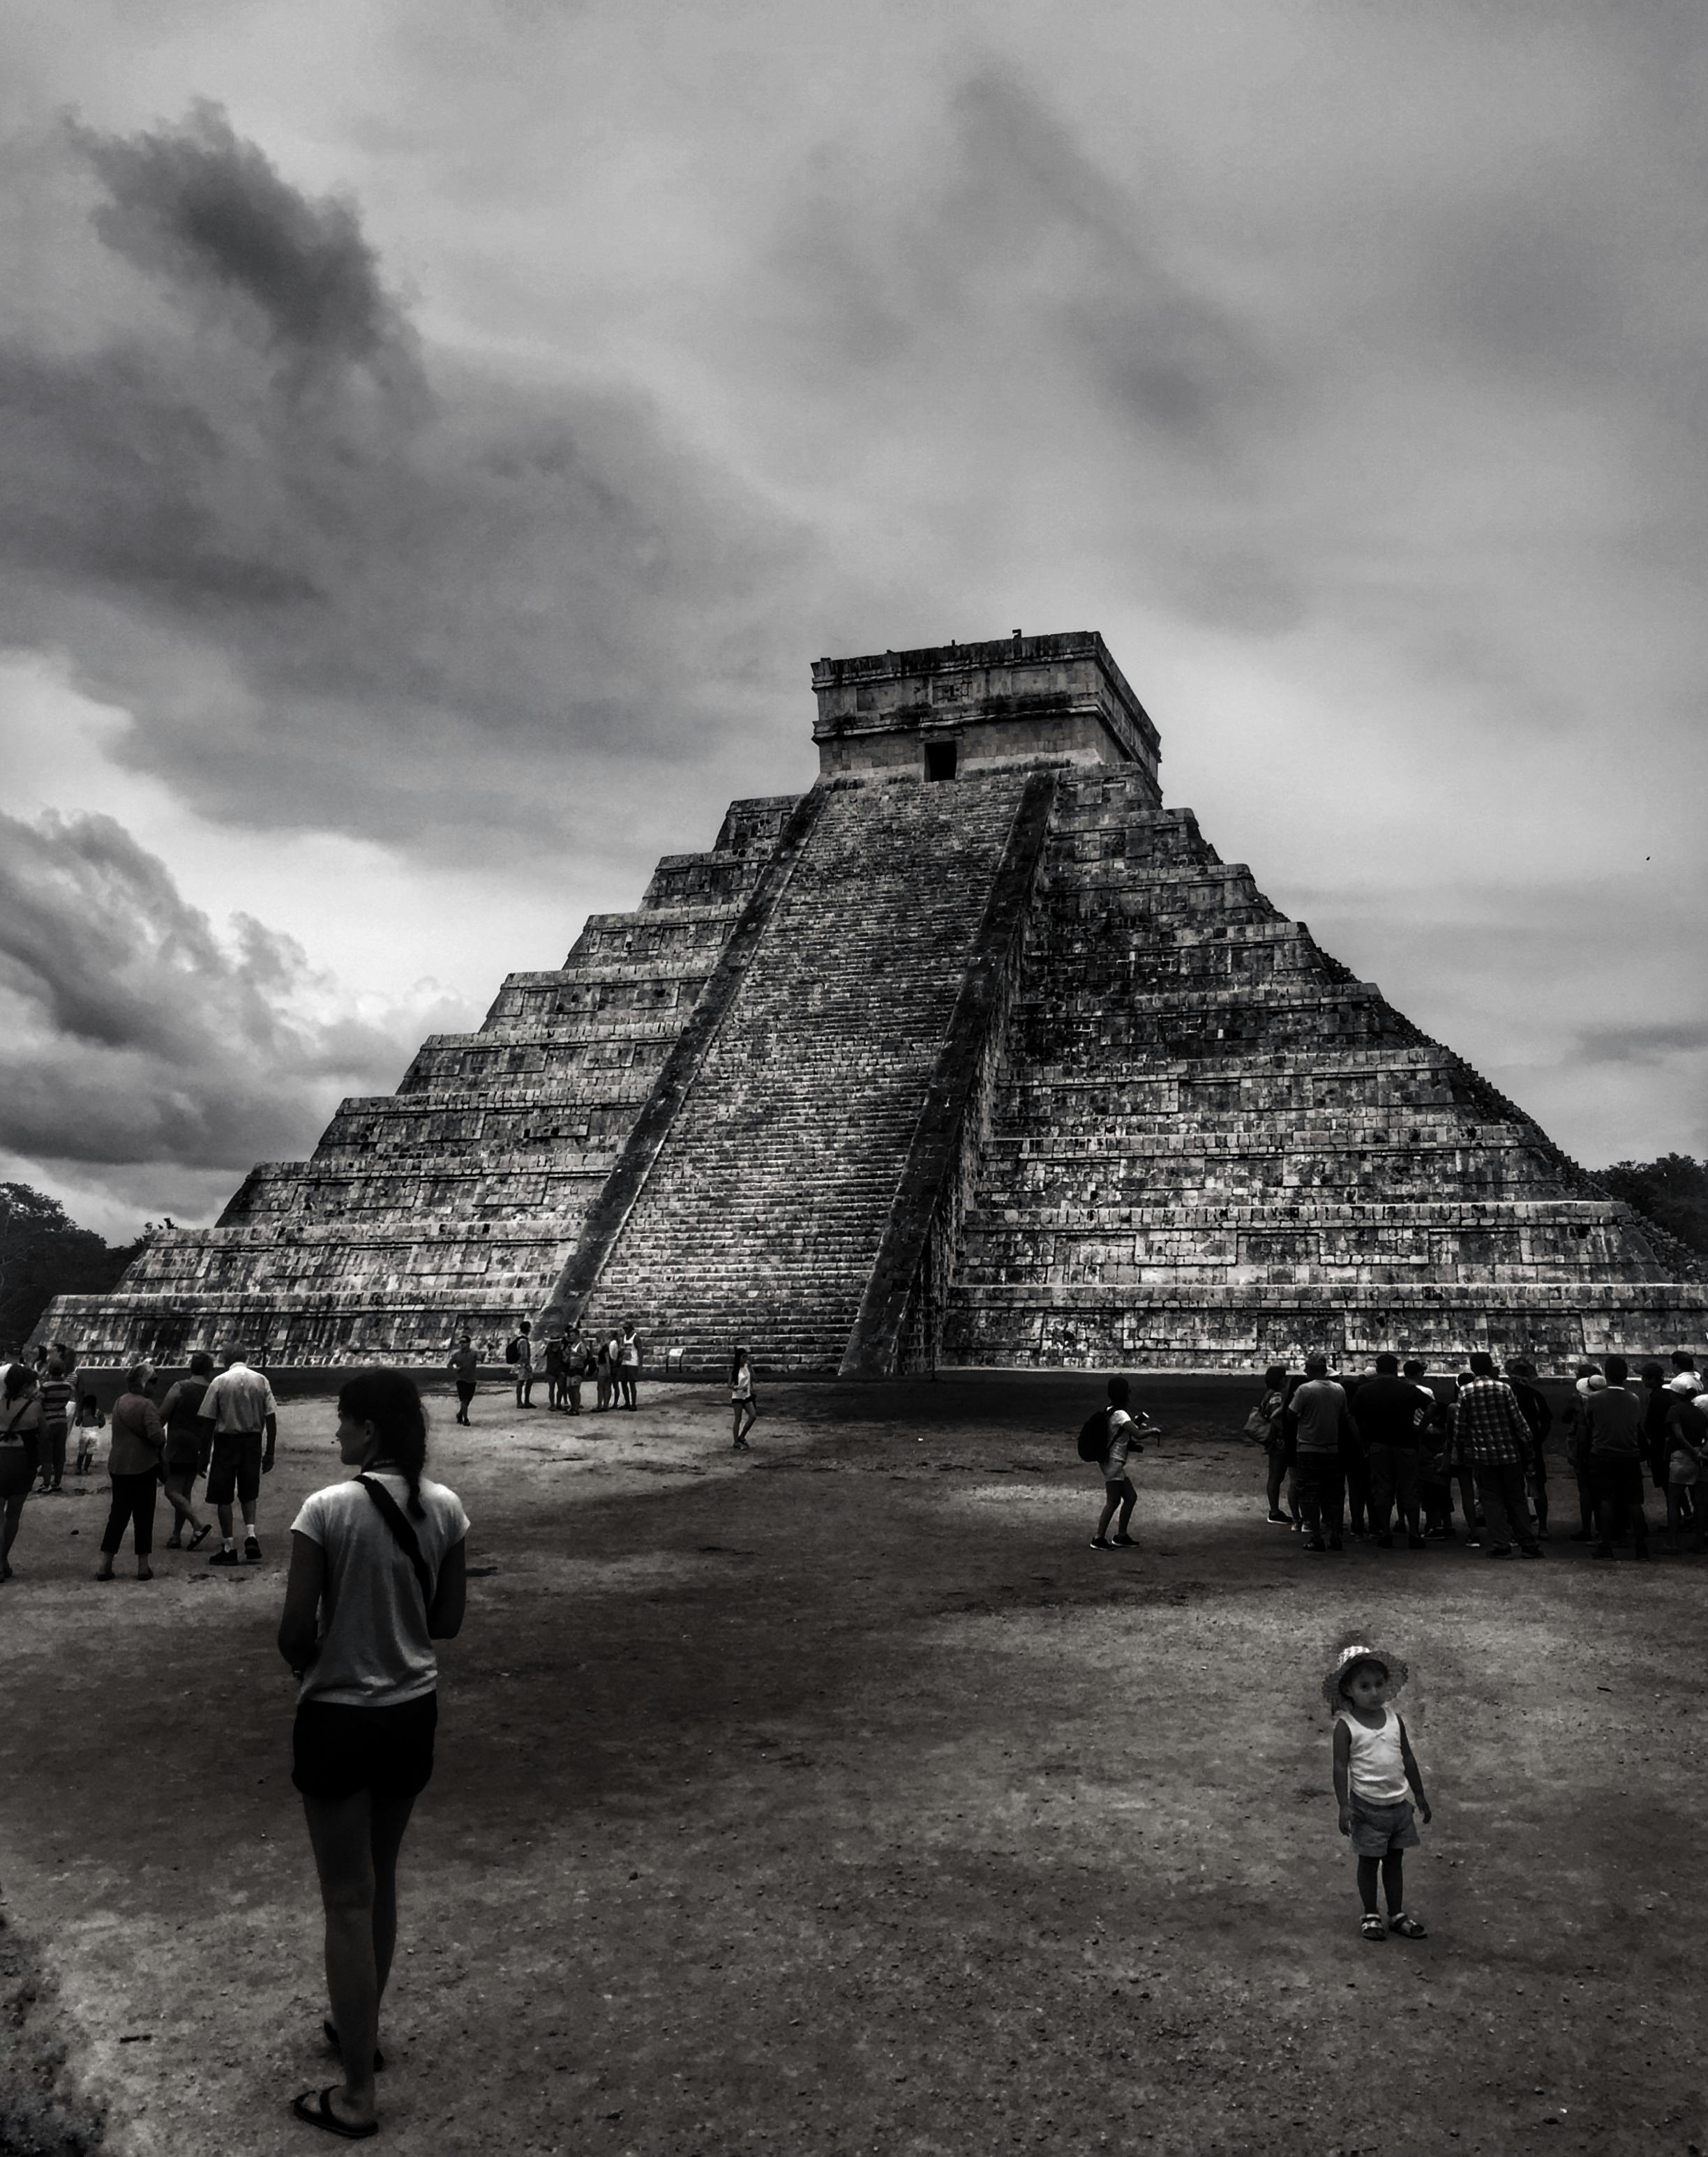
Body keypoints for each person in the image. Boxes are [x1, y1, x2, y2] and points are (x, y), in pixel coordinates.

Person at [277, 1369, 468, 2142]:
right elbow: (446, 1621)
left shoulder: (326, 1508)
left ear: (370, 1430)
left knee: (345, 1900)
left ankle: (356, 2092)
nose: (336, 1435)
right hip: (410, 1710)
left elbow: (295, 1630)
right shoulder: (447, 1506)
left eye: (343, 1422)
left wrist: (323, 1656)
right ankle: (362, 2027)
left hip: (337, 1715)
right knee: (380, 1880)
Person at [1327, 1643, 1431, 1943]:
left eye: (1379, 1684)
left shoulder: (1395, 1720)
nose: (1374, 1692)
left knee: (1395, 1861)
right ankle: (1370, 1913)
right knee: (1369, 1862)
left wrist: (1419, 1795)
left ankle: (1396, 1913)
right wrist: (1343, 1805)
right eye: (1364, 1686)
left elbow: (1407, 1758)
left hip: (1398, 1805)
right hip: (1366, 1808)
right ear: (1348, 1690)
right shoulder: (1346, 1727)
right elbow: (1340, 1767)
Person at [1453, 1353, 1543, 1558]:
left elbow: (1460, 1428)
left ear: (1473, 1369)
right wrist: (1528, 1452)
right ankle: (1528, 1543)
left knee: (1492, 1501)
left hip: (1484, 1455)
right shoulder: (1504, 1388)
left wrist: (1460, 1452)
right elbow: (1519, 1423)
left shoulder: (1466, 1392)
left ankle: (1502, 1544)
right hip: (1509, 1453)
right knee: (1517, 1499)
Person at [198, 1349, 279, 1565]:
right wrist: (269, 1451)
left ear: (226, 1361)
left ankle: (229, 1545)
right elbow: (271, 1419)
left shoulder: (219, 1381)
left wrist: (203, 1455)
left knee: (223, 1495)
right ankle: (251, 1535)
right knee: (249, 1490)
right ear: (246, 1359)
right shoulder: (260, 1380)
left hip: (226, 1441)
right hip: (252, 1440)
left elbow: (207, 1421)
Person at [95, 1362, 165, 1582]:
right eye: (153, 1381)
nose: (155, 1386)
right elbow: (158, 1438)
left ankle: (106, 1564)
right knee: (144, 1516)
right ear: (145, 1383)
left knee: (117, 1516)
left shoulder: (119, 1403)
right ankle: (143, 1566)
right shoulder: (147, 1406)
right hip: (143, 1466)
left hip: (119, 1465)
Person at [1352, 1353, 1430, 1549]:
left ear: (1378, 1369)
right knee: (1409, 1489)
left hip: (1378, 1443)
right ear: (1396, 1369)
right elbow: (1433, 1407)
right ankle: (1414, 1533)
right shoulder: (1407, 1389)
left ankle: (1385, 1532)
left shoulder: (1366, 1390)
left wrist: (1361, 1438)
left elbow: (1351, 1415)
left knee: (1382, 1488)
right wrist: (1420, 1428)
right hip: (1406, 1443)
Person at [1583, 1355, 1650, 1561]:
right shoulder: (1634, 1399)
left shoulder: (1594, 1399)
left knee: (1606, 1500)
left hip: (1603, 1453)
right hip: (1629, 1454)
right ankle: (1641, 1547)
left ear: (1606, 1374)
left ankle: (1606, 1545)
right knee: (1634, 1502)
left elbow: (1589, 1423)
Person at [1288, 1353, 1356, 1553]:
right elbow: (1345, 1417)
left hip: (1309, 1448)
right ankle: (1335, 1535)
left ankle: (1316, 1536)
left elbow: (1291, 1415)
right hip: (1332, 1448)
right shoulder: (1339, 1390)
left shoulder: (1304, 1390)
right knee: (1334, 1495)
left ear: (1311, 1369)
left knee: (1309, 1494)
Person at [160, 1354, 216, 1551]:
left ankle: (197, 1525)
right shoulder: (211, 1391)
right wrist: (206, 1454)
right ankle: (176, 1535)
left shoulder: (180, 1387)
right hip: (198, 1446)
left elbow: (163, 1415)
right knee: (184, 1493)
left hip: (177, 1445)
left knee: (171, 1490)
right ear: (208, 1370)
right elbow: (212, 1425)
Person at [1088, 1376, 1150, 1550]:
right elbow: (1137, 1433)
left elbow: (1122, 1435)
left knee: (1130, 1497)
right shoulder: (1121, 1414)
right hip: (1114, 1463)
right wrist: (1152, 1431)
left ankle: (1121, 1536)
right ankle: (1098, 1538)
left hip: (1112, 1462)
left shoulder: (1110, 1410)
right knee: (1113, 1501)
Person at [0, 1367, 42, 1583]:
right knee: (13, 1516)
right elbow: (42, 1438)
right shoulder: (34, 1408)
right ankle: (3, 1559)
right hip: (23, 1462)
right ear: (25, 1386)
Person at [1504, 1358, 1553, 1540]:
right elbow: (1546, 1422)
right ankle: (1543, 1528)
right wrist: (1537, 1440)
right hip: (1532, 1445)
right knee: (1538, 1487)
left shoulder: (1509, 1395)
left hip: (1512, 1445)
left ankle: (1519, 1527)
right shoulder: (1535, 1395)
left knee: (1514, 1489)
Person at [1661, 1383, 1707, 1554]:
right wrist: (1699, 1452)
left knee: (1673, 1501)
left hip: (1681, 1457)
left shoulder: (1675, 1410)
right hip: (1697, 1458)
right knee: (1699, 1503)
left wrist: (1691, 1450)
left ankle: (1672, 1543)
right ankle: (1699, 1542)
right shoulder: (1699, 1412)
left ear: (1675, 1394)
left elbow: (1678, 1435)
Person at [1561, 1365, 1605, 1542]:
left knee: (1586, 1490)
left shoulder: (1579, 1399)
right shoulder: (1605, 1398)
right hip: (1601, 1444)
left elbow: (1566, 1419)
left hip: (1583, 1445)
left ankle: (1588, 1528)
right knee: (1602, 1491)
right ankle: (1604, 1529)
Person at [1248, 1365, 1291, 1524]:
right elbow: (1276, 1417)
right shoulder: (1277, 1397)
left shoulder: (1269, 1394)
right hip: (1279, 1441)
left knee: (1274, 1476)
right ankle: (1274, 1511)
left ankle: (1274, 1510)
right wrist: (1285, 1433)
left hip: (1273, 1441)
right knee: (1277, 1477)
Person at [34, 1351, 76, 1496]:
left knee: (47, 1453)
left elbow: (39, 1402)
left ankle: (46, 1484)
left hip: (48, 1421)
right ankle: (57, 1482)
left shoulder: (46, 1386)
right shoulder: (68, 1386)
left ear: (50, 1370)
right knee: (59, 1453)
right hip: (62, 1420)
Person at [70, 1392, 105, 1479]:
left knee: (81, 1452)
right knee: (90, 1453)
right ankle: (85, 1469)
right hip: (94, 1434)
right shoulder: (98, 1412)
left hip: (84, 1433)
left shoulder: (84, 1412)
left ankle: (78, 1468)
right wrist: (98, 1425)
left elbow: (78, 1423)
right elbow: (102, 1423)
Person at [447, 1334, 479, 1426]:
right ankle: (466, 1419)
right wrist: (454, 1369)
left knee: (468, 1400)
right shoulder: (456, 1355)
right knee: (464, 1400)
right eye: (460, 1342)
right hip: (461, 1380)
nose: (461, 1344)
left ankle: (460, 1414)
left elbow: (480, 1358)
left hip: (472, 1380)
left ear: (469, 1343)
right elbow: (449, 1364)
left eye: (463, 1342)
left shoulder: (474, 1354)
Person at [731, 1346, 757, 1450]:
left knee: (753, 1416)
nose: (746, 1358)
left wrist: (751, 1369)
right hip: (737, 1396)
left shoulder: (748, 1367)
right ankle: (736, 1442)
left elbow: (755, 1379)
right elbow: (729, 1384)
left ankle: (742, 1437)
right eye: (743, 1357)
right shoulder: (735, 1370)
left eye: (746, 1356)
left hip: (747, 1396)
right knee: (738, 1419)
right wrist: (737, 1388)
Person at [617, 1323, 641, 1411]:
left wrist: (640, 1364)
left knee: (632, 1383)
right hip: (625, 1362)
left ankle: (633, 1403)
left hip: (633, 1362)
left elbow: (640, 1351)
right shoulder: (624, 1337)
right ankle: (627, 1402)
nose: (625, 1330)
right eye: (624, 1328)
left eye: (627, 1328)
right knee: (623, 1382)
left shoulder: (636, 1337)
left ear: (631, 1329)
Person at [511, 1321, 534, 1408]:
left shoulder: (520, 1339)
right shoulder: (523, 1341)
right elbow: (524, 1354)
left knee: (526, 1381)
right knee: (523, 1382)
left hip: (521, 1363)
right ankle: (522, 1402)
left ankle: (523, 1401)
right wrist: (527, 1365)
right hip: (523, 1364)